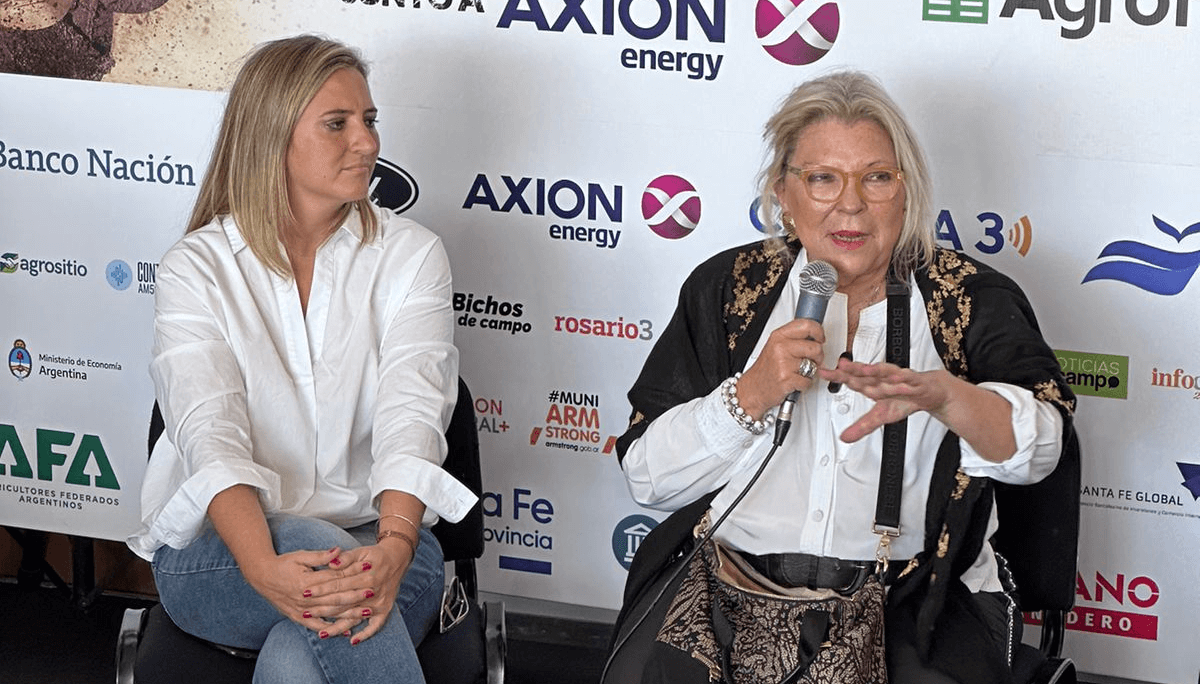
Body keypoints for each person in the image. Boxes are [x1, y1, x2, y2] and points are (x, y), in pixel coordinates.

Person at [606, 71, 1077, 684]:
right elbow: (647, 479)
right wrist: (749, 397)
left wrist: (950, 399)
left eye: (876, 177)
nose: (850, 204)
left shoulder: (968, 298)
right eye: (823, 178)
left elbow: (1043, 451)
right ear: (783, 193)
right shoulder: (728, 290)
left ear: (906, 192)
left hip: (912, 606)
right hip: (723, 593)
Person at [126, 35, 476, 684]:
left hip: (386, 547)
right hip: (224, 559)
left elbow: (413, 417)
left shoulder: (413, 256)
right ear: (272, 136)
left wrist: (395, 547)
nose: (367, 142)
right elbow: (209, 433)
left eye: (369, 120)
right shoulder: (196, 269)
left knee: (299, 654)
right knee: (321, 559)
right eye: (337, 124)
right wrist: (263, 567)